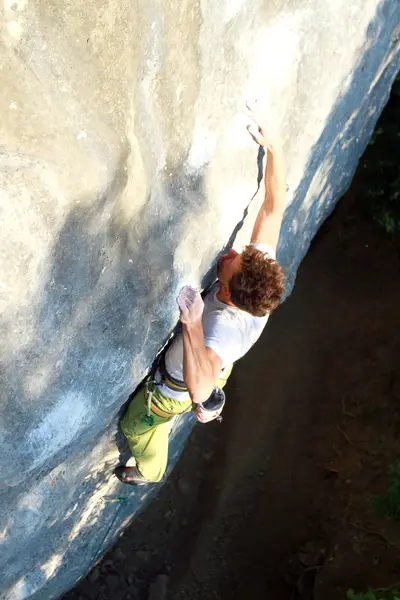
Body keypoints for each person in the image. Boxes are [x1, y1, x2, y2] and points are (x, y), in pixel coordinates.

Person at [115, 104, 286, 485]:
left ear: (227, 291)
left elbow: (200, 388)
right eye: (242, 253)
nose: (232, 253)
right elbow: (274, 208)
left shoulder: (220, 329)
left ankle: (149, 470)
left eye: (232, 263)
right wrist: (274, 148)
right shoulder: (256, 278)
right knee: (211, 386)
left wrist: (192, 323)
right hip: (216, 365)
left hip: (175, 389)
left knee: (136, 428)